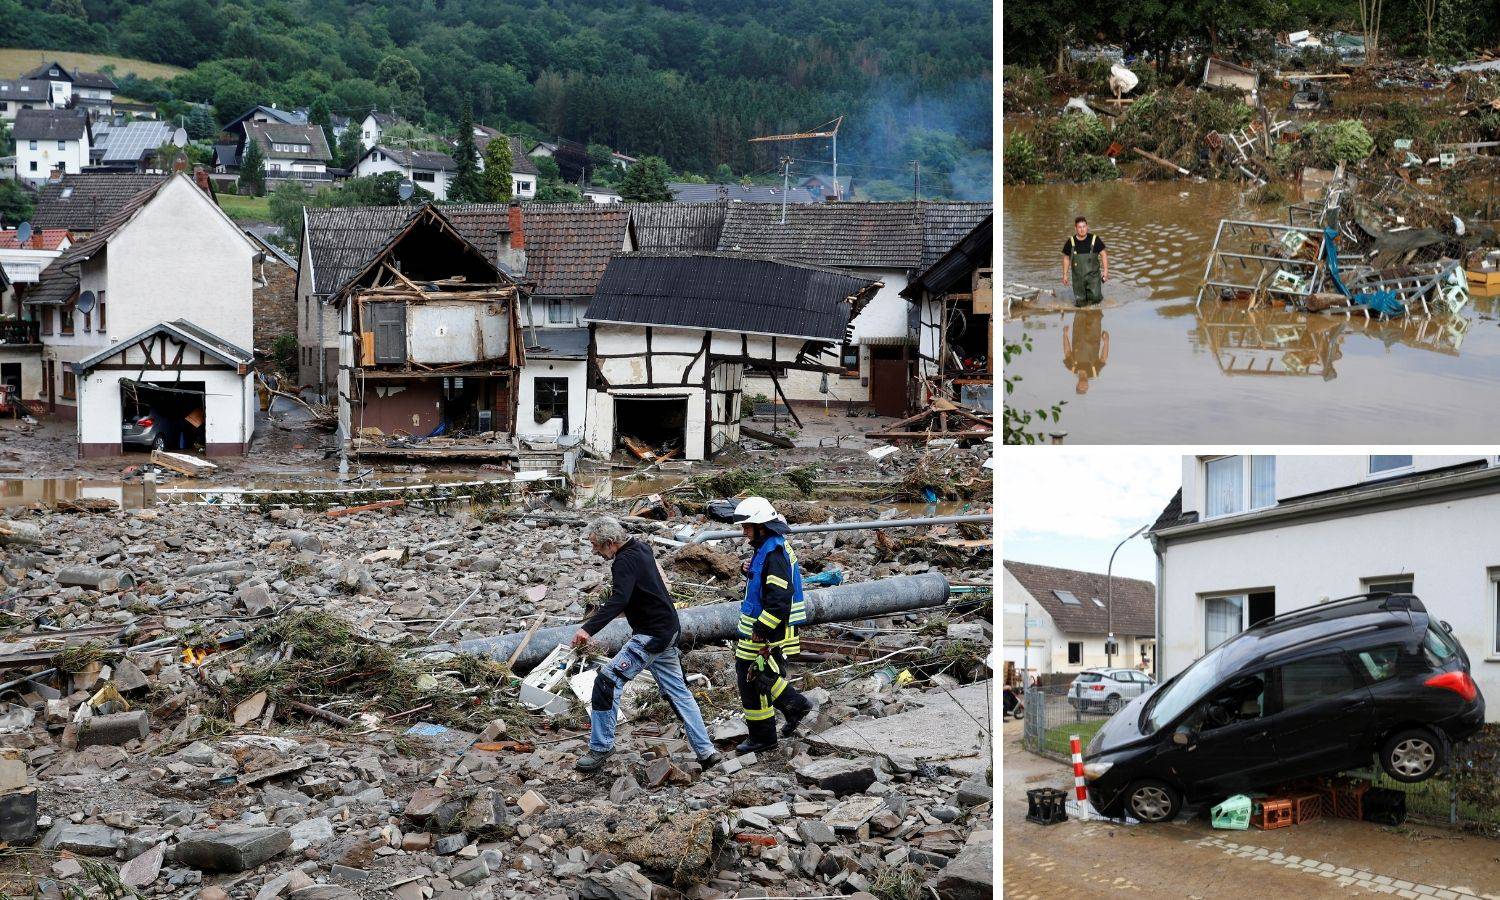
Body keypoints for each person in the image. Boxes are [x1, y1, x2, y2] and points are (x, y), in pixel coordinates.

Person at [571, 517, 722, 773]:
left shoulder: (623, 561)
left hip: (650, 637)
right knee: (679, 693)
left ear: (610, 543)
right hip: (669, 630)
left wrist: (587, 629)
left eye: (596, 546)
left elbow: (619, 599)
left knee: (606, 683)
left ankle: (601, 747)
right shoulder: (639, 546)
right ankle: (707, 752)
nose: (595, 551)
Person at [729, 496, 816, 755]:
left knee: (754, 676)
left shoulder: (773, 553)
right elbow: (764, 581)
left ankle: (779, 722)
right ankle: (773, 725)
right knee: (755, 675)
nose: (744, 532)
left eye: (747, 526)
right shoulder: (768, 547)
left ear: (762, 526)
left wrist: (763, 629)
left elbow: (779, 599)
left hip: (768, 630)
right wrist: (748, 569)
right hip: (765, 628)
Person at [1061, 216, 1108, 307]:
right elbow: (1066, 258)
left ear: (1087, 227)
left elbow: (1104, 255)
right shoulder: (1071, 241)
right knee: (1080, 303)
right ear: (1075, 228)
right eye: (1079, 227)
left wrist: (1105, 271)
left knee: (1096, 300)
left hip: (1093, 278)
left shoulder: (1095, 239)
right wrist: (1065, 274)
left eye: (1084, 226)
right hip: (1078, 279)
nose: (1082, 229)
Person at [1062, 308, 1109, 394]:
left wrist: (1065, 335)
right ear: (1088, 386)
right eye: (1085, 388)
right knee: (1096, 311)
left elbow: (1067, 352)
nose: (1083, 386)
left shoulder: (1072, 368)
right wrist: (1106, 342)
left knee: (1080, 309)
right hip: (1094, 333)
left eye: (1081, 387)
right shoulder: (1094, 372)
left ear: (1077, 385)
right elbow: (1103, 358)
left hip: (1078, 331)